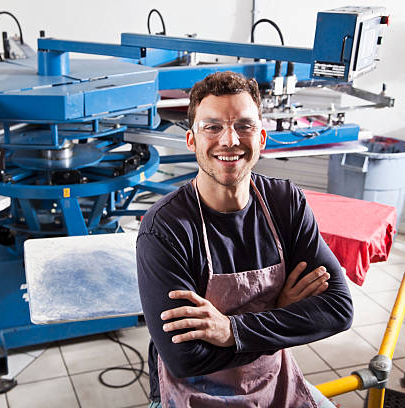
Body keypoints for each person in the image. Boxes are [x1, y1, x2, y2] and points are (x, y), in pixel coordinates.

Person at [136, 71, 353, 407]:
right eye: (213, 127)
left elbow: (338, 309)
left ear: (262, 137)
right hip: (195, 395)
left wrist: (231, 331)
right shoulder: (166, 229)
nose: (230, 140)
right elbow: (186, 358)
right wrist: (280, 312)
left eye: (244, 126)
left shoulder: (285, 203)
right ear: (192, 140)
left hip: (276, 383)